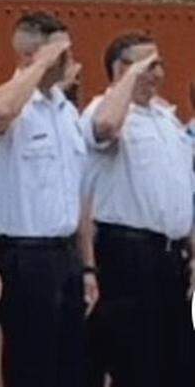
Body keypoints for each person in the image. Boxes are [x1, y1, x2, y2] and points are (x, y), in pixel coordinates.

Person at [0, 12, 92, 387]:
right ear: (29, 56)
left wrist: (87, 266)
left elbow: (80, 191)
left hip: (65, 255)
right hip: (26, 255)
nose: (68, 60)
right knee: (32, 364)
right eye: (61, 53)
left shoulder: (65, 112)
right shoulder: (5, 103)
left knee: (72, 364)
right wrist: (42, 60)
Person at [80, 32, 194, 387]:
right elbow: (105, 128)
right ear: (122, 69)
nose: (157, 73)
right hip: (130, 254)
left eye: (158, 64)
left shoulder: (166, 121)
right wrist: (127, 80)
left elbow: (181, 191)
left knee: (177, 364)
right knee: (137, 361)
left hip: (171, 257)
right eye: (149, 65)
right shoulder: (105, 109)